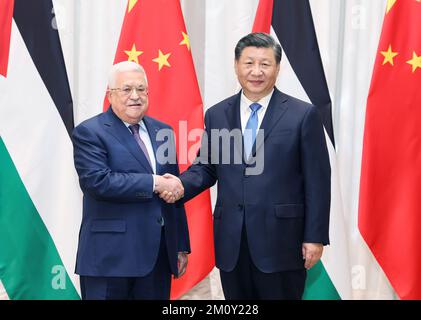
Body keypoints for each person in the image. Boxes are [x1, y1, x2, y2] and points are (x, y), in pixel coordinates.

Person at [160, 32, 330, 299]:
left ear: (277, 68)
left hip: (282, 242)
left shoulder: (302, 114)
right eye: (249, 63)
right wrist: (179, 184)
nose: (256, 71)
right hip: (232, 243)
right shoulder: (217, 114)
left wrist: (315, 236)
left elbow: (318, 181)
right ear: (236, 65)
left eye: (265, 64)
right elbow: (206, 167)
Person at [72, 61, 190, 300]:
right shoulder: (90, 132)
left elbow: (173, 189)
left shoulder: (162, 131)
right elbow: (98, 182)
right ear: (110, 95)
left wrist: (179, 244)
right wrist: (155, 183)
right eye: (126, 89)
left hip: (157, 257)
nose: (135, 96)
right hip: (109, 259)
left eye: (141, 89)